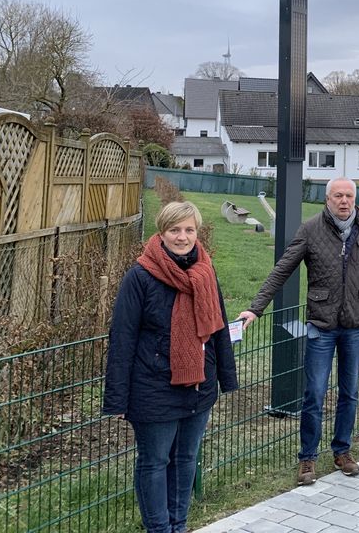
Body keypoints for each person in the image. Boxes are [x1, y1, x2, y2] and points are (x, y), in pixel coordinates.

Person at [237, 177, 359, 485]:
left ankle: (342, 451)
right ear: (327, 199)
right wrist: (255, 308)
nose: (343, 201)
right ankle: (307, 459)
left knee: (350, 392)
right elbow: (283, 269)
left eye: (348, 196)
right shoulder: (310, 229)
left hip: (355, 325)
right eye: (337, 196)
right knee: (314, 393)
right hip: (321, 324)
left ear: (354, 199)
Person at [103, 201, 238, 533]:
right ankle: (160, 529)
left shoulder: (206, 272)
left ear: (197, 232)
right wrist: (117, 399)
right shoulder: (140, 276)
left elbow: (218, 327)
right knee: (154, 462)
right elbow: (122, 339)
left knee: (185, 460)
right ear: (161, 233)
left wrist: (226, 378)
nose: (182, 237)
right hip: (153, 388)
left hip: (198, 386)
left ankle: (178, 525)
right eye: (175, 230)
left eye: (189, 230)